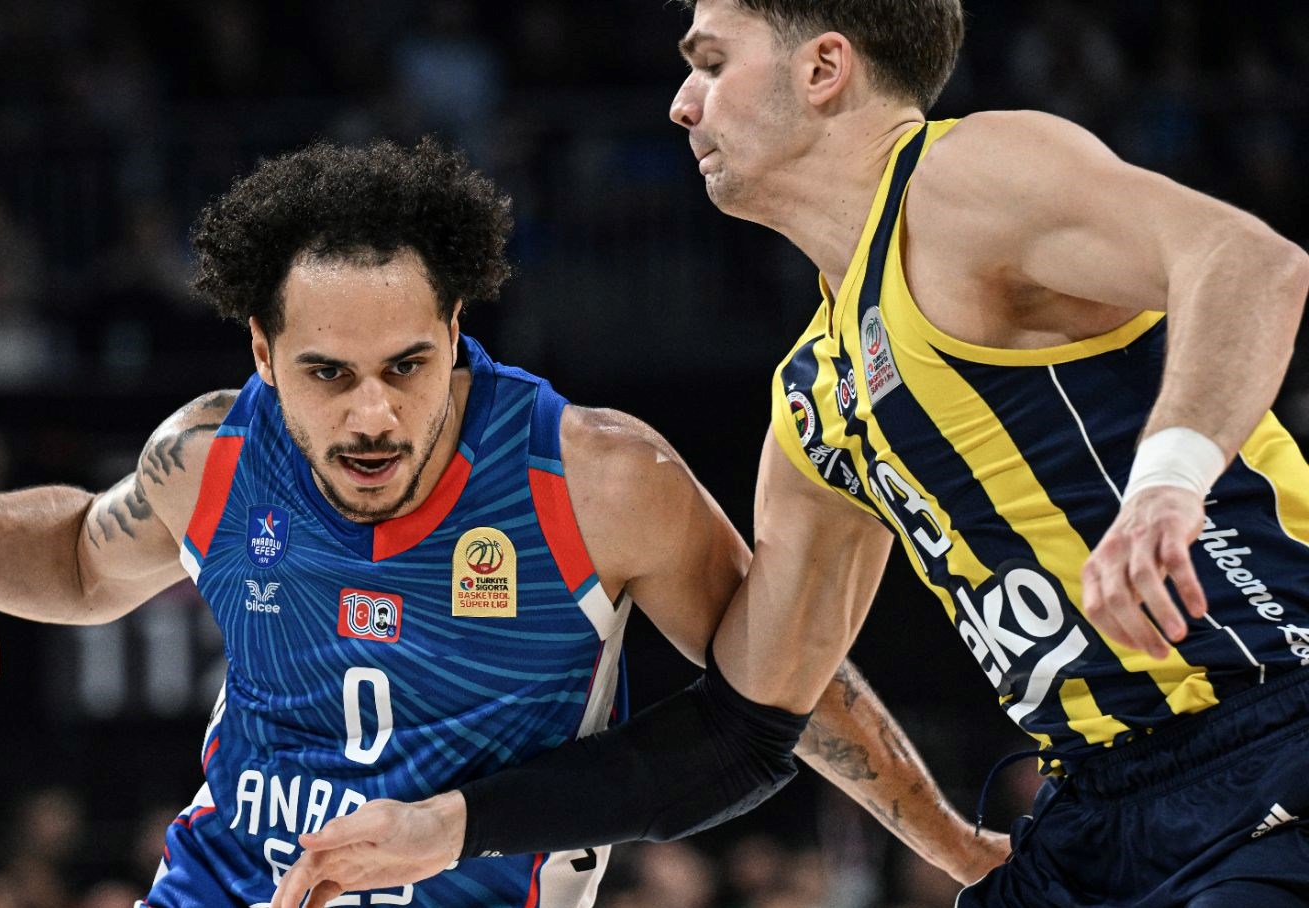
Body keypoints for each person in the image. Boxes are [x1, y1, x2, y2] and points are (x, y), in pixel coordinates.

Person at [0, 139, 1001, 908]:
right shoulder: (213, 452)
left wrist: (951, 846)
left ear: (456, 330)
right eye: (327, 374)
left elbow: (779, 686)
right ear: (262, 352)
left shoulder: (595, 476)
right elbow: (73, 557)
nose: (374, 413)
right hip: (229, 882)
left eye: (408, 364)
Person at [270, 3, 1309, 908]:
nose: (681, 103)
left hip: (1275, 721)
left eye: (711, 62)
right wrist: (452, 824)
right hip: (1099, 806)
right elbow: (744, 730)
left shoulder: (961, 178)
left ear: (823, 67)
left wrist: (1166, 487)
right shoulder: (815, 396)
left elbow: (1249, 262)